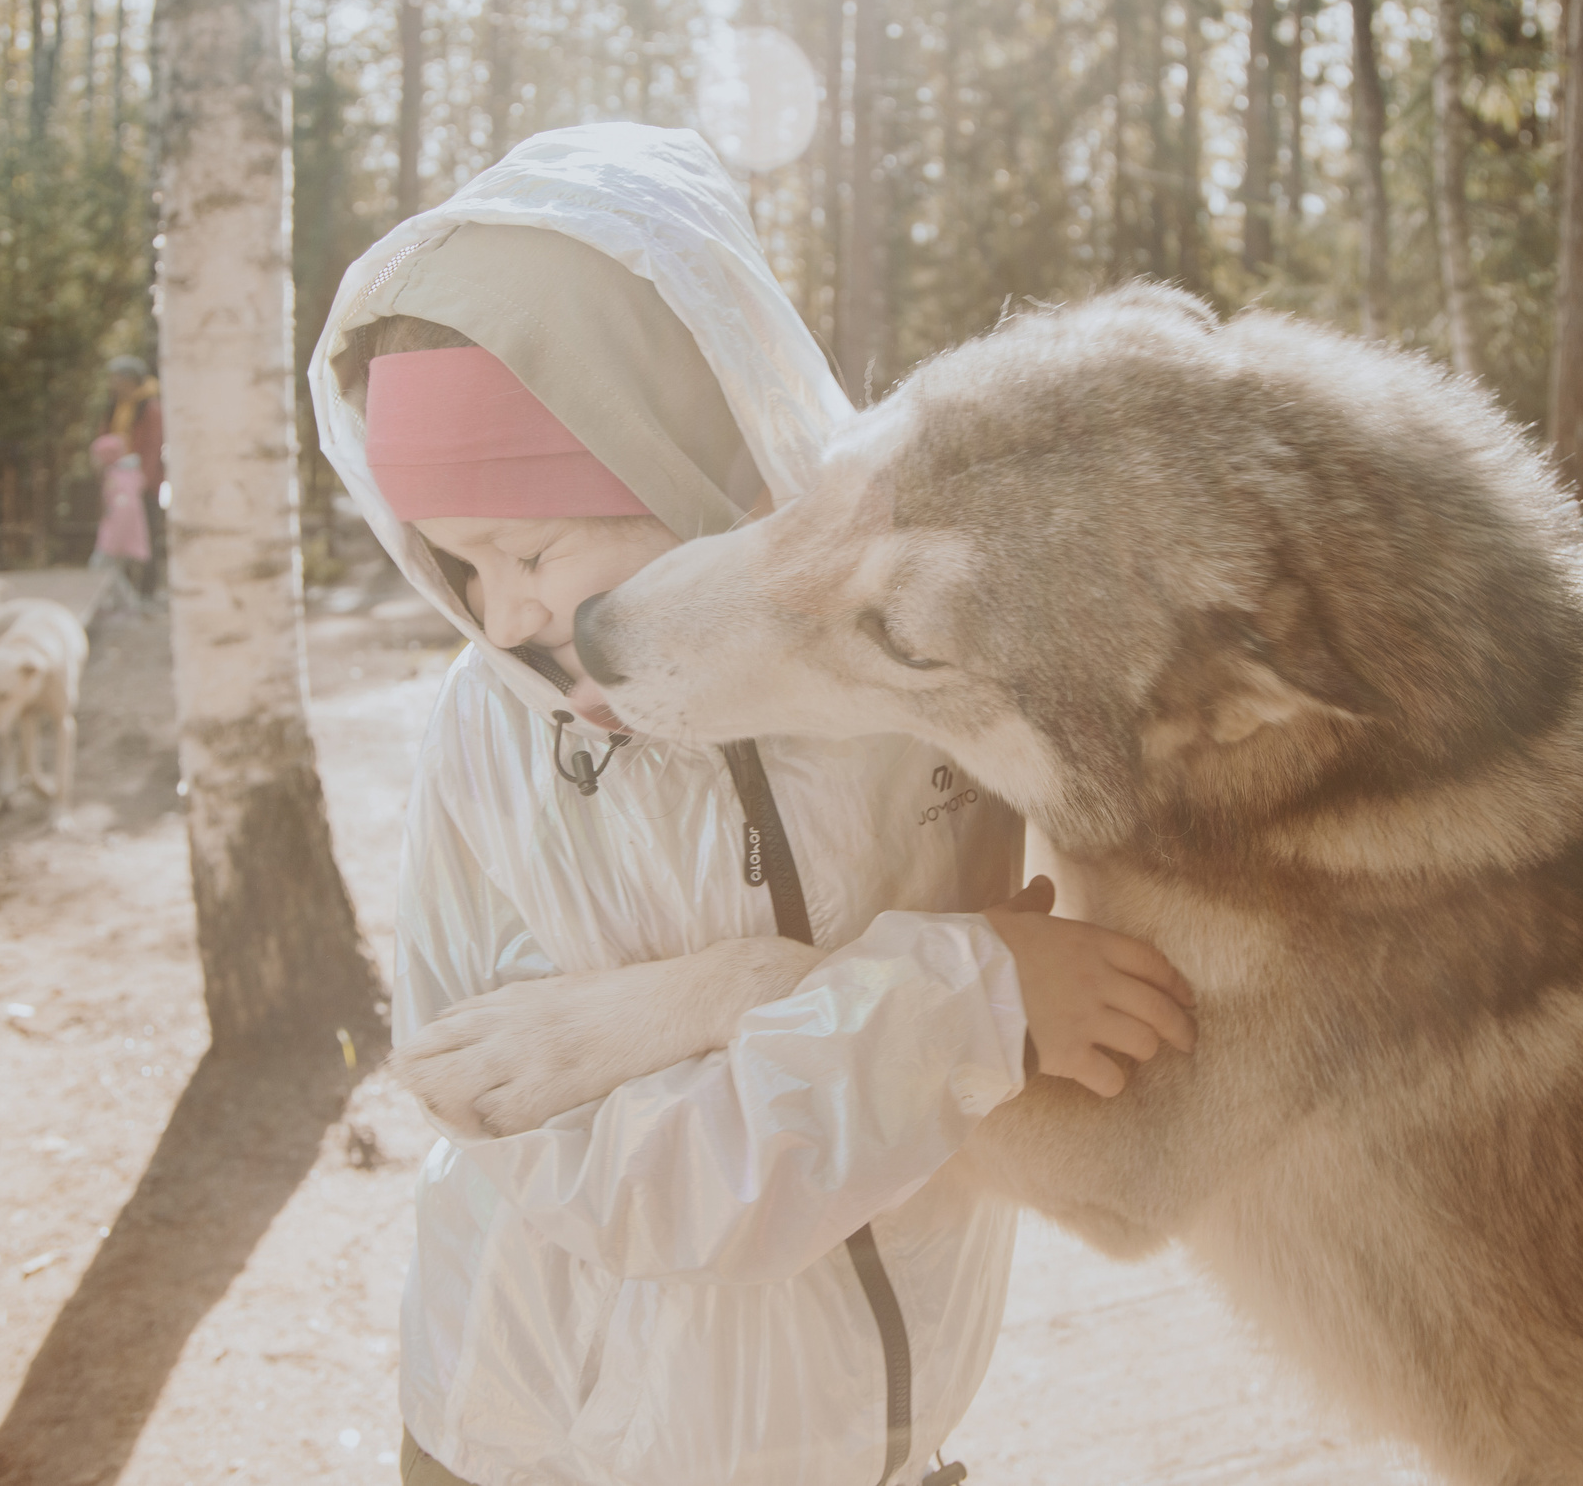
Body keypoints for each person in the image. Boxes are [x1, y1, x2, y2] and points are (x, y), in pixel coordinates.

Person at [309, 124, 1195, 1486]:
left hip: (878, 1436)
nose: (504, 613)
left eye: (529, 547)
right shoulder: (495, 739)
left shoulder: (919, 676)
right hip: (552, 1445)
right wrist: (970, 996)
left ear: (682, 454)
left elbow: (1099, 1003)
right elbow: (614, 1169)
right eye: (460, 565)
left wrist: (818, 998)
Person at [102, 354, 164, 589]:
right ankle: (123, 587)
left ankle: (148, 588)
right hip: (117, 480)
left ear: (130, 380)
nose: (113, 383)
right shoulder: (114, 406)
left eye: (117, 378)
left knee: (146, 534)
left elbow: (153, 446)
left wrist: (143, 481)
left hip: (142, 482)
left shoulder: (149, 408)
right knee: (118, 534)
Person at [87, 431, 153, 612]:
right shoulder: (121, 475)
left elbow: (124, 511)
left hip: (117, 537)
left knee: (99, 569)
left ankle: (125, 605)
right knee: (111, 573)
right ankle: (128, 605)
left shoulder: (119, 478)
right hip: (118, 536)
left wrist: (113, 542)